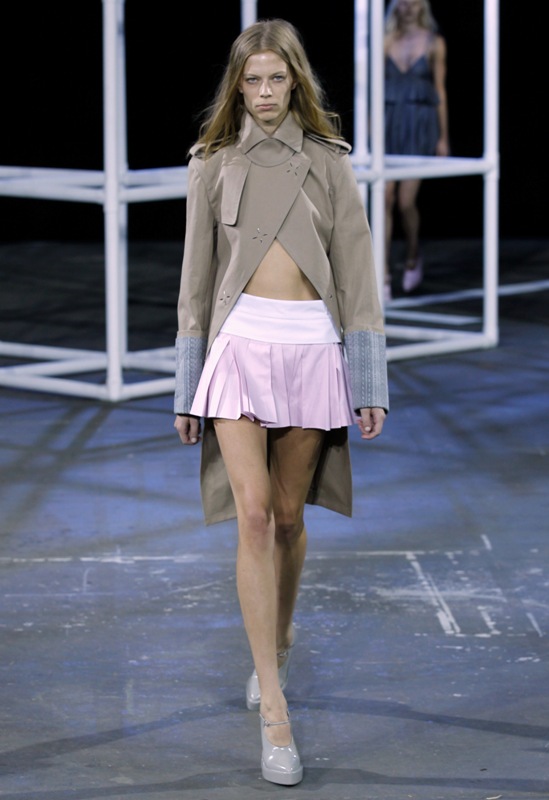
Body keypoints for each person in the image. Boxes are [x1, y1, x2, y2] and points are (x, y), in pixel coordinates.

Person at [173, 18, 389, 786]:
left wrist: (369, 380)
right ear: (237, 86)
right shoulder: (212, 164)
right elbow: (195, 280)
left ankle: (280, 639)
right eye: (252, 79)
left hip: (309, 351)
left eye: (276, 78)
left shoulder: (327, 162)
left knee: (291, 517)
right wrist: (186, 385)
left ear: (295, 81)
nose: (264, 92)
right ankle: (274, 707)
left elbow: (357, 272)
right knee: (255, 515)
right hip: (238, 350)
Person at [383, 0, 449, 302]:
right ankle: (383, 270)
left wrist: (443, 137)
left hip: (419, 125)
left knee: (406, 201)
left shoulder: (434, 43)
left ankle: (412, 253)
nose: (408, 5)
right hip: (390, 123)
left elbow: (440, 90)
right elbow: (373, 90)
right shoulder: (385, 41)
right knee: (384, 197)